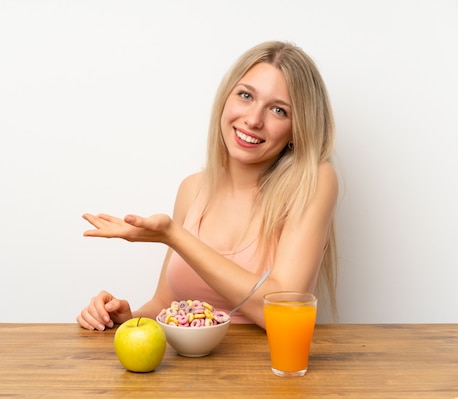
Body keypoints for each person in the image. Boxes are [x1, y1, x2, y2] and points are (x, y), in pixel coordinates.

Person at [76, 41, 338, 331]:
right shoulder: (192, 189)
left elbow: (284, 312)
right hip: (191, 372)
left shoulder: (314, 180)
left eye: (278, 110)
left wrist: (174, 236)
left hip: (271, 371)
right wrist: (125, 319)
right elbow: (166, 303)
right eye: (245, 95)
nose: (253, 119)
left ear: (297, 128)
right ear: (226, 98)